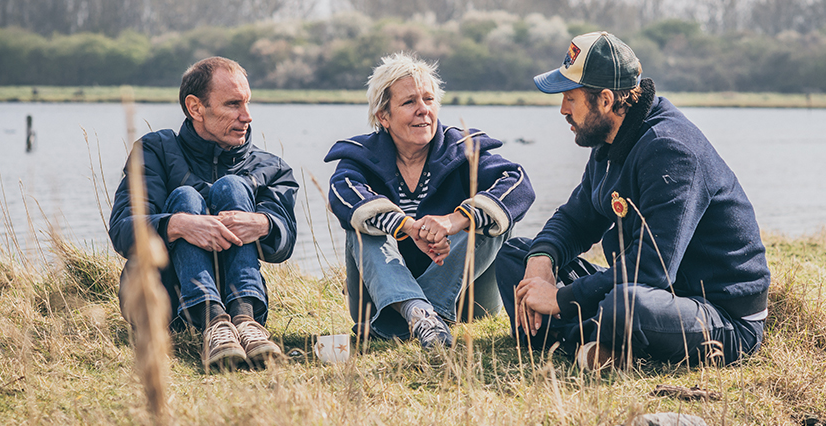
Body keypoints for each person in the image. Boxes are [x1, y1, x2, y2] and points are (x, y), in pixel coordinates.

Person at [496, 32, 770, 368]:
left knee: (624, 305)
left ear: (606, 100)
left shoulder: (670, 150)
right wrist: (542, 259)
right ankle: (592, 344)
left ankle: (571, 339)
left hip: (719, 315)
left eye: (570, 98)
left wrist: (561, 299)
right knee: (514, 255)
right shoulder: (609, 140)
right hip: (655, 292)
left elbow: (651, 269)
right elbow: (576, 219)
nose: (562, 109)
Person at [325, 53, 535, 350]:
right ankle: (417, 312)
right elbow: (344, 194)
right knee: (361, 222)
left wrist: (455, 220)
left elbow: (518, 184)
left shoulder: (463, 148)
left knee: (493, 216)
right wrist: (407, 226)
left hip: (465, 303)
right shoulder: (360, 155)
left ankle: (424, 314)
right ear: (383, 116)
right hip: (379, 302)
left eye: (429, 99)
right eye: (409, 102)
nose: (423, 110)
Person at [108, 57, 299, 370]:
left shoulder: (270, 168)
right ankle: (213, 322)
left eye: (247, 103)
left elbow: (285, 242)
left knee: (234, 187)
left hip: (243, 308)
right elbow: (122, 230)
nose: (247, 116)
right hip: (162, 305)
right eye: (233, 104)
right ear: (195, 107)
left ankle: (242, 320)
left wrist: (263, 224)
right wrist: (177, 225)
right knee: (184, 196)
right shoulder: (154, 151)